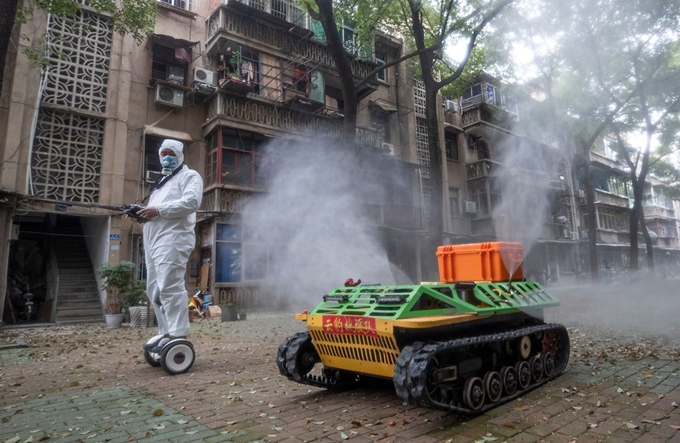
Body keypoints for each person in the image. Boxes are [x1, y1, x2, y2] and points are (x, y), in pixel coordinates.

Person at [138, 139, 203, 353]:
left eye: (170, 153)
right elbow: (155, 210)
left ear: (180, 155)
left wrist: (157, 211)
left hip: (173, 239)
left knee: (169, 285)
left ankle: (179, 333)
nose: (166, 157)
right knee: (154, 288)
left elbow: (192, 202)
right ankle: (166, 331)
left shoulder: (189, 176)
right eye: (163, 153)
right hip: (153, 239)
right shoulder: (160, 183)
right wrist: (142, 214)